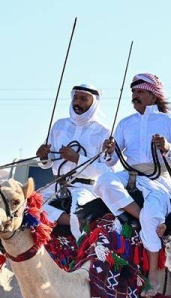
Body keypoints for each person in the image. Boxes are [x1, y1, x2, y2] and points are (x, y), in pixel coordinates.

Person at [94, 73, 171, 265]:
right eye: (133, 92)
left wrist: (168, 147)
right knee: (104, 181)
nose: (134, 96)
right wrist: (109, 150)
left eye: (140, 92)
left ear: (153, 96)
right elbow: (110, 162)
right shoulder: (125, 123)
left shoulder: (169, 122)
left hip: (159, 181)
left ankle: (154, 268)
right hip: (130, 176)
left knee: (152, 213)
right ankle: (138, 216)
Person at [35, 84, 115, 237]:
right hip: (57, 185)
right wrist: (43, 156)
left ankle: (81, 247)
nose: (77, 102)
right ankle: (66, 220)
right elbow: (48, 162)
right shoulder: (59, 125)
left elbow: (107, 171)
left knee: (78, 215)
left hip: (84, 188)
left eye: (83, 99)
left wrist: (77, 158)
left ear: (94, 103)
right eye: (75, 98)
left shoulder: (103, 132)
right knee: (29, 206)